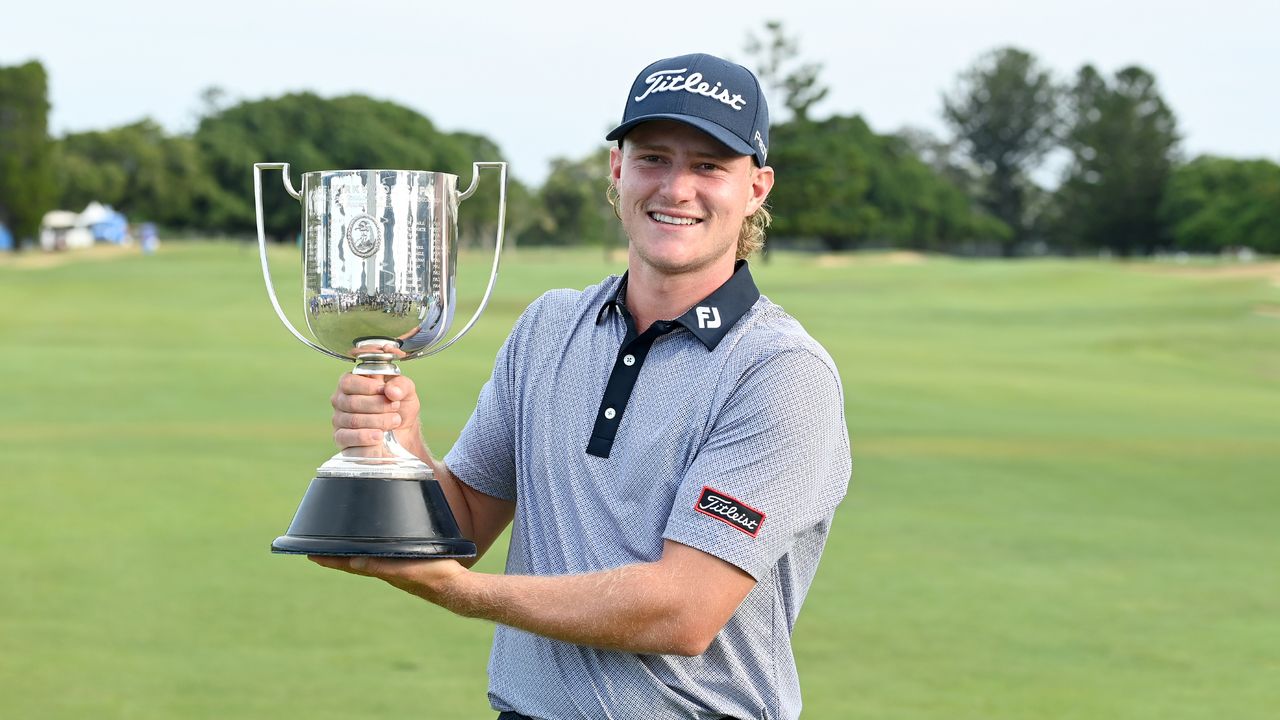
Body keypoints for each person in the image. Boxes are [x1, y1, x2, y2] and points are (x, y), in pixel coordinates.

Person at [314, 52, 852, 720]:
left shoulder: (779, 370)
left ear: (757, 188)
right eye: (654, 157)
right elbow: (459, 527)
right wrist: (404, 451)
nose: (677, 188)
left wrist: (460, 593)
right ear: (618, 169)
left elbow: (681, 612)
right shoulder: (549, 327)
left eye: (709, 166)